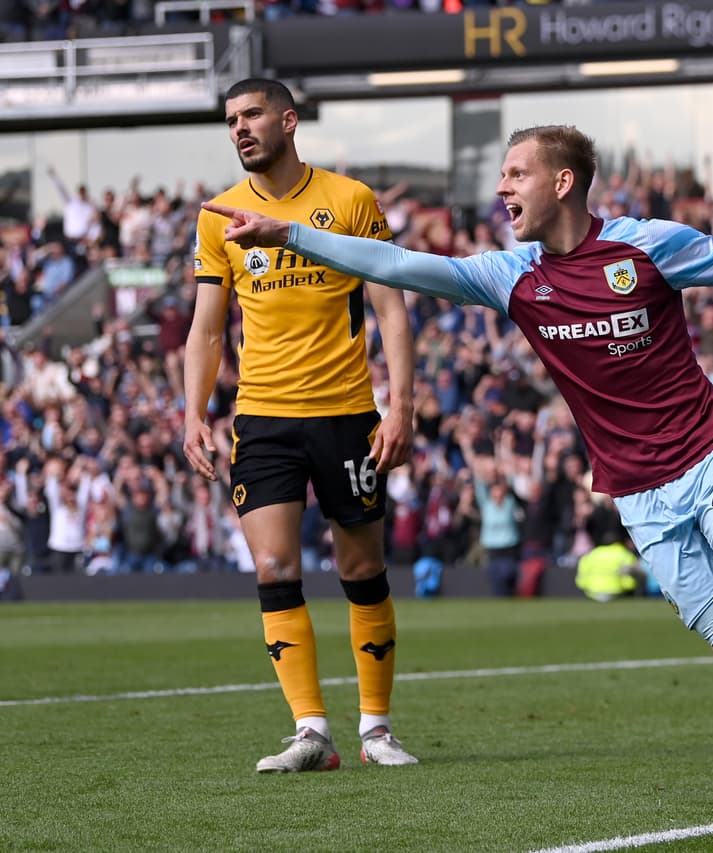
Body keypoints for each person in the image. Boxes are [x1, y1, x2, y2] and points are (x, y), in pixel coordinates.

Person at [202, 124, 713, 813]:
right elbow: (396, 264)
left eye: (515, 173)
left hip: (708, 451)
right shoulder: (512, 274)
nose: (502, 190)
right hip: (639, 491)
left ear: (563, 181)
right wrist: (291, 233)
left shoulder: (648, 246)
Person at [183, 78, 418, 773]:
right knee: (274, 566)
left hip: (347, 413)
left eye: (251, 115)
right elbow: (205, 329)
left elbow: (392, 306)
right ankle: (312, 730)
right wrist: (192, 414)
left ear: (288, 120)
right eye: (230, 120)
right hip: (261, 418)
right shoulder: (216, 214)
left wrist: (400, 403)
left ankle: (377, 726)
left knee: (362, 565)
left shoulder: (350, 200)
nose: (239, 128)